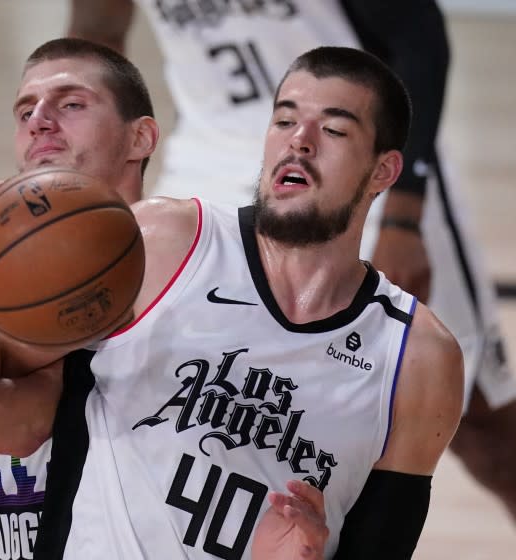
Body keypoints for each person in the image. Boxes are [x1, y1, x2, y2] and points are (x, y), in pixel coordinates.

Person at [0, 40, 463, 558]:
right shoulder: (12, 284)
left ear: (141, 137)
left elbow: (20, 412)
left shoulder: (148, 261)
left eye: (71, 103)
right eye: (24, 107)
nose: (39, 121)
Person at [68, 0, 516, 520]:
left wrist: (403, 215)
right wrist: (90, 184)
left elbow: (419, 39)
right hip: (209, 160)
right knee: (163, 390)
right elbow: (97, 32)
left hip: (349, 164)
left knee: (482, 427)